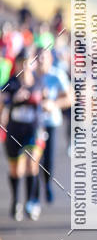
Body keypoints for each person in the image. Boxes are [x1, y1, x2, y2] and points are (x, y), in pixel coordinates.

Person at [1, 48, 46, 221]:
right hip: (14, 130)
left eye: (28, 62)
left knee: (32, 164)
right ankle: (16, 201)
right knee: (16, 170)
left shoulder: (39, 82)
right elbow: (1, 101)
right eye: (22, 62)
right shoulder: (11, 83)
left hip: (34, 129)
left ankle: (31, 201)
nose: (25, 65)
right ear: (17, 64)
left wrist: (47, 102)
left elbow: (49, 99)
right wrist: (13, 99)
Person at [38, 47, 71, 203]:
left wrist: (54, 104)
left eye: (43, 58)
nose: (40, 61)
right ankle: (34, 195)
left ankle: (47, 184)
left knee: (48, 159)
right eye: (37, 58)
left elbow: (70, 98)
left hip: (50, 122)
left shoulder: (57, 75)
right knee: (32, 160)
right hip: (33, 124)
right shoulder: (29, 75)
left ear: (50, 60)